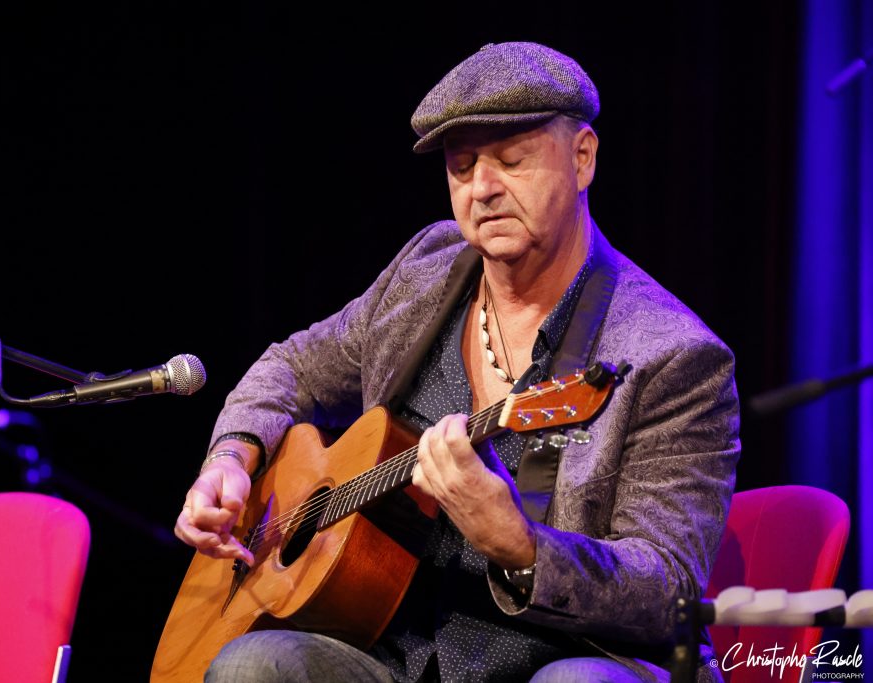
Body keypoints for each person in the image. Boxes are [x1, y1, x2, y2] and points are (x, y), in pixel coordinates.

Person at [175, 41, 740, 682]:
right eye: (462, 167)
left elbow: (667, 589)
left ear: (582, 158)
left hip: (561, 658)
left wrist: (520, 546)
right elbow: (294, 367)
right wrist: (231, 457)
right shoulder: (428, 268)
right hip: (396, 653)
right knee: (253, 665)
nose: (484, 189)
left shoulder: (669, 354)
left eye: (512, 161)